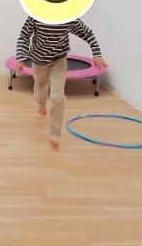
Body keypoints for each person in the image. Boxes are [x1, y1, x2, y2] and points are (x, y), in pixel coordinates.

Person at [15, 16, 107, 150]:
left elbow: (87, 33)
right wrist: (21, 58)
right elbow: (24, 36)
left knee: (57, 97)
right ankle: (41, 104)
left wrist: (97, 54)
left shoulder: (68, 17)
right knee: (41, 88)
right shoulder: (35, 16)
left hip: (59, 61)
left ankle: (55, 134)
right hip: (39, 61)